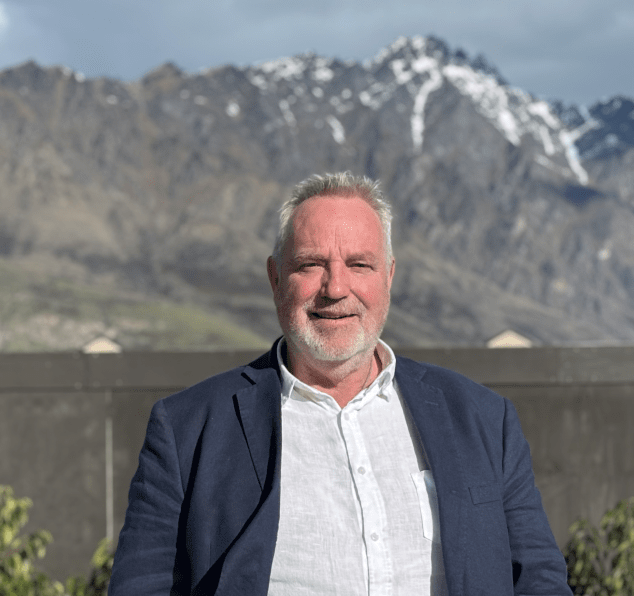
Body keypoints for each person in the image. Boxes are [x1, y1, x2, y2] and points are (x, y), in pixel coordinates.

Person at [109, 172, 571, 595]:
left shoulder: (482, 419)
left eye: (359, 264)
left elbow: (539, 582)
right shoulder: (188, 429)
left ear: (388, 277)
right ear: (275, 278)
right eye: (311, 264)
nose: (335, 288)